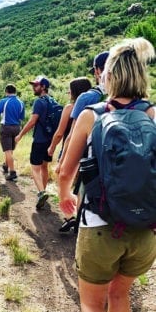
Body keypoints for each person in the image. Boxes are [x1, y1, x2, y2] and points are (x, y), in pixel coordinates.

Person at [58, 37, 156, 312]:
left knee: (90, 304)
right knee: (120, 293)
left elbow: (65, 170)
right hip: (146, 230)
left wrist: (64, 194)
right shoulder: (154, 115)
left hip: (99, 227)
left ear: (108, 76)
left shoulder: (91, 114)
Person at [47, 77, 92, 232]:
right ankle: (81, 218)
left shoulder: (70, 108)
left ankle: (69, 217)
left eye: (69, 90)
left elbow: (61, 133)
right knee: (82, 186)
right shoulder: (96, 107)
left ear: (74, 92)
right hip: (89, 152)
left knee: (64, 181)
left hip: (71, 149)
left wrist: (53, 148)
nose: (68, 92)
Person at [15, 76, 56, 210]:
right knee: (44, 166)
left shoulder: (39, 102)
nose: (34, 87)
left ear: (43, 87)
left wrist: (20, 135)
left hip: (39, 140)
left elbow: (33, 121)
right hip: (50, 140)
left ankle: (41, 192)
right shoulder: (52, 101)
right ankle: (43, 191)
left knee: (35, 167)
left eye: (36, 85)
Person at [0, 84, 25, 181]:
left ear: (6, 91)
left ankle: (12, 172)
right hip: (17, 128)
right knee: (11, 149)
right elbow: (22, 117)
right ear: (15, 91)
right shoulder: (21, 102)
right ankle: (6, 165)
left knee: (7, 150)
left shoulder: (3, 101)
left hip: (6, 127)